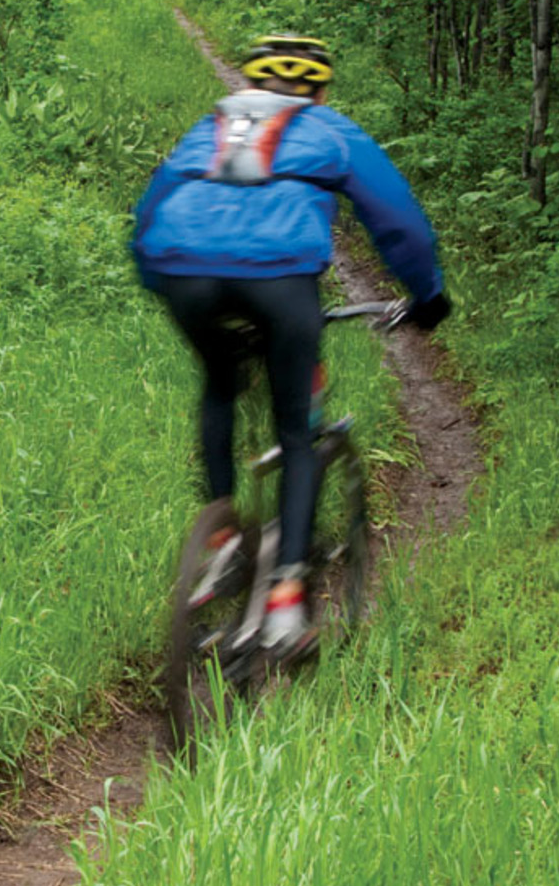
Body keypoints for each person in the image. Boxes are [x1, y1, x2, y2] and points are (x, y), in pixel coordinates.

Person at [131, 35, 451, 655]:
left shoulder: (211, 126)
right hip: (280, 279)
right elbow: (397, 219)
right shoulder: (330, 128)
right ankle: (284, 599)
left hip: (183, 274)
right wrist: (427, 296)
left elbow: (151, 211)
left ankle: (222, 541)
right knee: (297, 430)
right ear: (320, 90)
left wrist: (160, 283)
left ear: (250, 86)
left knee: (222, 379)